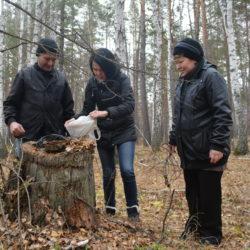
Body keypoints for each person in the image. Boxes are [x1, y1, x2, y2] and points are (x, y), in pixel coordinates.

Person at [169, 38, 232, 245]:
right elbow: (178, 113)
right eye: (176, 62)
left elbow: (222, 113)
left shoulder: (211, 77)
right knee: (192, 191)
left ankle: (211, 233)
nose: (179, 66)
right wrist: (173, 136)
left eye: (182, 61)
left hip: (208, 149)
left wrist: (218, 145)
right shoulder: (183, 80)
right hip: (188, 149)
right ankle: (195, 225)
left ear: (194, 59)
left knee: (209, 194)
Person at [74, 48, 139, 220]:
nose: (98, 73)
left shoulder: (122, 79)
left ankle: (133, 211)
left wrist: (106, 112)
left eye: (101, 69)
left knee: (127, 170)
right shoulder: (92, 83)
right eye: (94, 69)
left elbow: (129, 105)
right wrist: (72, 121)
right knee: (108, 172)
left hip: (124, 130)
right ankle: (110, 210)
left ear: (109, 67)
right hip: (104, 132)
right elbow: (87, 109)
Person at [4, 38, 74, 143]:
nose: (50, 63)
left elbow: (68, 110)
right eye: (47, 59)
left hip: (55, 138)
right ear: (38, 54)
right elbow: (10, 104)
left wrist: (71, 127)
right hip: (28, 137)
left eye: (54, 60)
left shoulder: (61, 79)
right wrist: (12, 122)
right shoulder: (24, 75)